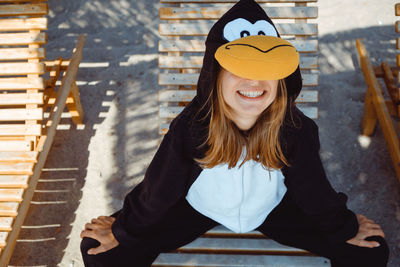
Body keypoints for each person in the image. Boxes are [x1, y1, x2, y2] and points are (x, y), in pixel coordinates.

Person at [80, 0, 389, 266]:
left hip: (272, 208)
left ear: (282, 79)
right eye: (240, 67)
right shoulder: (192, 128)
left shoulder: (294, 129)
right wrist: (123, 229)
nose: (254, 81)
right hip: (200, 207)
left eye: (267, 70)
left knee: (371, 251)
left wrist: (345, 227)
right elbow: (158, 189)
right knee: (98, 251)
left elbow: (313, 191)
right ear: (215, 75)